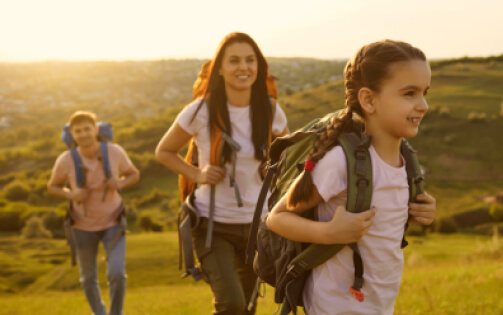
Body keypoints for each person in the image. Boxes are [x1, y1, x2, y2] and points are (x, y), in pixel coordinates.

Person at [266, 40, 437, 315]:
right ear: (369, 100)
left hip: (379, 305)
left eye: (424, 93)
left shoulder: (407, 163)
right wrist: (329, 233)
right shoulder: (340, 163)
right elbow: (276, 217)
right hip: (333, 306)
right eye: (409, 93)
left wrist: (420, 212)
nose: (423, 105)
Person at [155, 32, 289, 315]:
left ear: (259, 67)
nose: (244, 67)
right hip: (212, 225)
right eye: (235, 60)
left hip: (259, 226)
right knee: (231, 304)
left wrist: (275, 170)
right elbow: (164, 151)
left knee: (248, 306)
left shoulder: (271, 110)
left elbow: (289, 156)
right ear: (220, 68)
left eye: (250, 60)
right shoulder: (201, 110)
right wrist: (198, 174)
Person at [47, 111, 140, 315]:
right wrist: (72, 194)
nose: (83, 134)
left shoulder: (114, 152)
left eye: (87, 129)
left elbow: (134, 174)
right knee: (88, 278)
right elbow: (53, 186)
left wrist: (121, 183)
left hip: (113, 222)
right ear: (72, 134)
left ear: (95, 129)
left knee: (116, 273)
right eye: (78, 131)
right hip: (81, 226)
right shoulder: (65, 160)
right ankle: (99, 313)